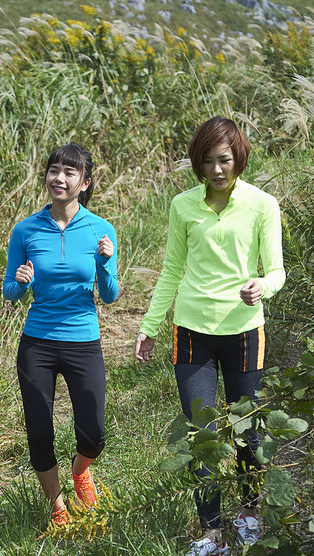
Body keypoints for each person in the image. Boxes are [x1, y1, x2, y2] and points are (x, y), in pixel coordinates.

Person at [133, 117, 285, 556]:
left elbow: (275, 269)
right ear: (198, 164)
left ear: (239, 157)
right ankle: (211, 532)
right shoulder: (182, 205)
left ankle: (251, 515)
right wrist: (148, 326)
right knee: (202, 432)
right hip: (192, 332)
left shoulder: (262, 204)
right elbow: (171, 270)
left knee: (246, 430)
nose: (217, 169)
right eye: (208, 161)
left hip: (243, 331)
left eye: (225, 159)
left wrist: (263, 285)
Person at [3, 143, 118, 529]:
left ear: (84, 183)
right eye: (54, 170)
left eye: (70, 173)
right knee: (39, 432)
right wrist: (20, 283)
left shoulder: (101, 229)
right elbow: (9, 290)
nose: (60, 178)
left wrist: (104, 265)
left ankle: (80, 471)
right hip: (37, 342)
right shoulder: (26, 229)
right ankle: (56, 504)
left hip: (83, 340)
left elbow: (111, 295)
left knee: (95, 433)